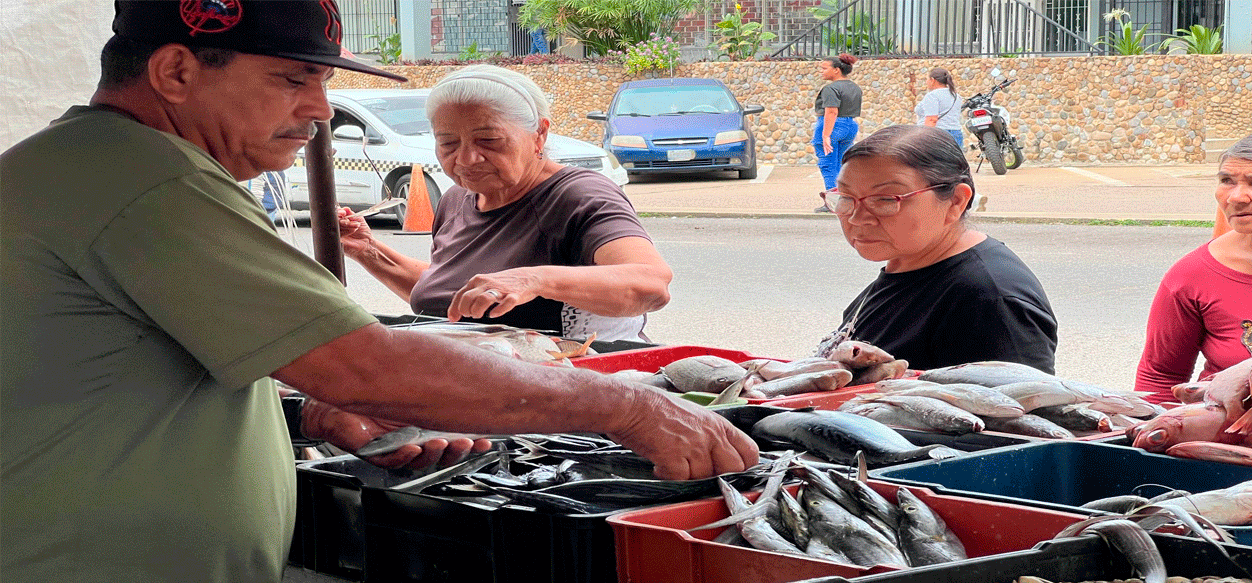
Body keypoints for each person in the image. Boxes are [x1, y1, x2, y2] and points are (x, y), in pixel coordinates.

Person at [0, 2, 757, 582]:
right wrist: (625, 405)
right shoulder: (149, 181)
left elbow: (115, 364)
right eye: (294, 79)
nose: (321, 110)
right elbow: (367, 363)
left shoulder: (78, 164)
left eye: (323, 83)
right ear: (175, 72)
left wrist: (307, 408)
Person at [337, 65, 672, 343]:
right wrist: (369, 251)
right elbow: (455, 291)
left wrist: (535, 280)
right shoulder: (456, 199)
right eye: (448, 143)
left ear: (539, 134)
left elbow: (650, 285)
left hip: (567, 392)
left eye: (489, 140)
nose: (466, 158)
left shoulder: (579, 196)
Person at [814, 125, 1058, 373]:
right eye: (845, 196)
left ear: (955, 201)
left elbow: (1016, 405)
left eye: (885, 199)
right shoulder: (906, 263)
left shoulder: (989, 301)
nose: (856, 218)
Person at [1135, 135, 1252, 403]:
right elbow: (1160, 379)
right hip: (1224, 437)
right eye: (1227, 181)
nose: (1236, 197)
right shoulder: (1192, 276)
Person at [812, 53, 862, 213]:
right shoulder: (854, 87)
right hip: (850, 125)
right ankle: (846, 200)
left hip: (832, 126)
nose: (821, 71)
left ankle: (833, 202)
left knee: (828, 165)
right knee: (842, 164)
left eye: (825, 68)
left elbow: (832, 111)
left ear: (836, 70)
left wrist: (825, 135)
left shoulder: (830, 88)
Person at [915, 67, 963, 149]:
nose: (926, 82)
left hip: (938, 135)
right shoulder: (956, 96)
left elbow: (932, 120)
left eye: (927, 79)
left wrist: (924, 140)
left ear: (932, 80)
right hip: (956, 134)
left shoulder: (932, 96)